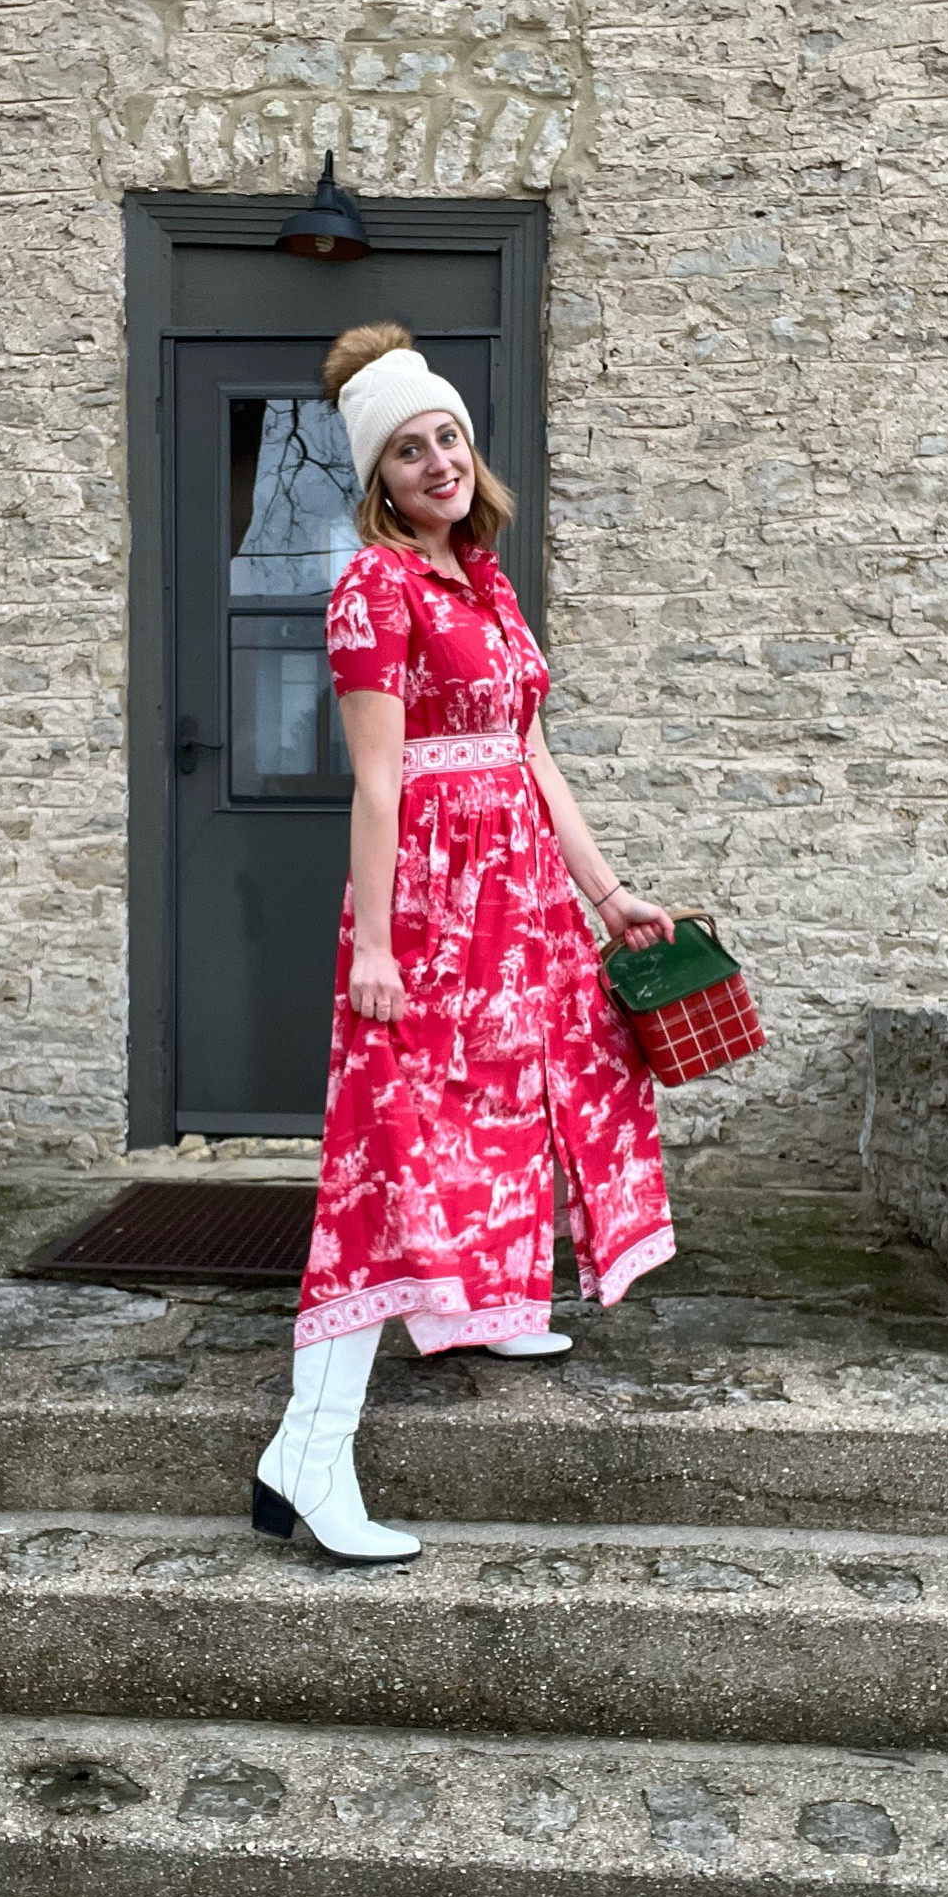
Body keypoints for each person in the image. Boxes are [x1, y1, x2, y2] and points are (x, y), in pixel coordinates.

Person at [253, 323, 675, 1565]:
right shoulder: (373, 587)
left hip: (523, 899)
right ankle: (306, 1451)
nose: (436, 460)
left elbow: (532, 752)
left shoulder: (484, 580)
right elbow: (377, 783)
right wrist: (373, 945)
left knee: (517, 1099)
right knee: (389, 1146)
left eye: (447, 436)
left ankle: (492, 1301)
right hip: (432, 908)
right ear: (377, 477)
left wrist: (606, 894)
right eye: (407, 449)